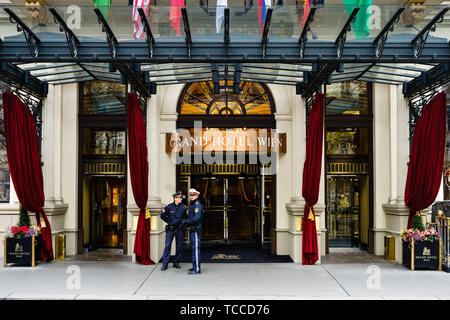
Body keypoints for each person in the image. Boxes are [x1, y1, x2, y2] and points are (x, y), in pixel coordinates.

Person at [160, 191, 187, 271]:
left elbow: (185, 217)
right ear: (175, 198)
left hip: (179, 229)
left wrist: (183, 222)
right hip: (170, 230)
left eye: (181, 197)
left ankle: (176, 263)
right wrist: (169, 221)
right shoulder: (169, 207)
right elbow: (162, 215)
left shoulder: (183, 207)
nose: (181, 199)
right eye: (179, 197)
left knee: (179, 247)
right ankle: (165, 264)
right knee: (167, 246)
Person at [185, 188, 203, 275]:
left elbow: (196, 218)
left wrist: (186, 221)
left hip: (195, 229)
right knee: (193, 249)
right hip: (192, 229)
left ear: (197, 195)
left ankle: (197, 269)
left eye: (193, 195)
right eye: (190, 195)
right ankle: (194, 265)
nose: (191, 196)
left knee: (195, 249)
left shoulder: (197, 205)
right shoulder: (192, 204)